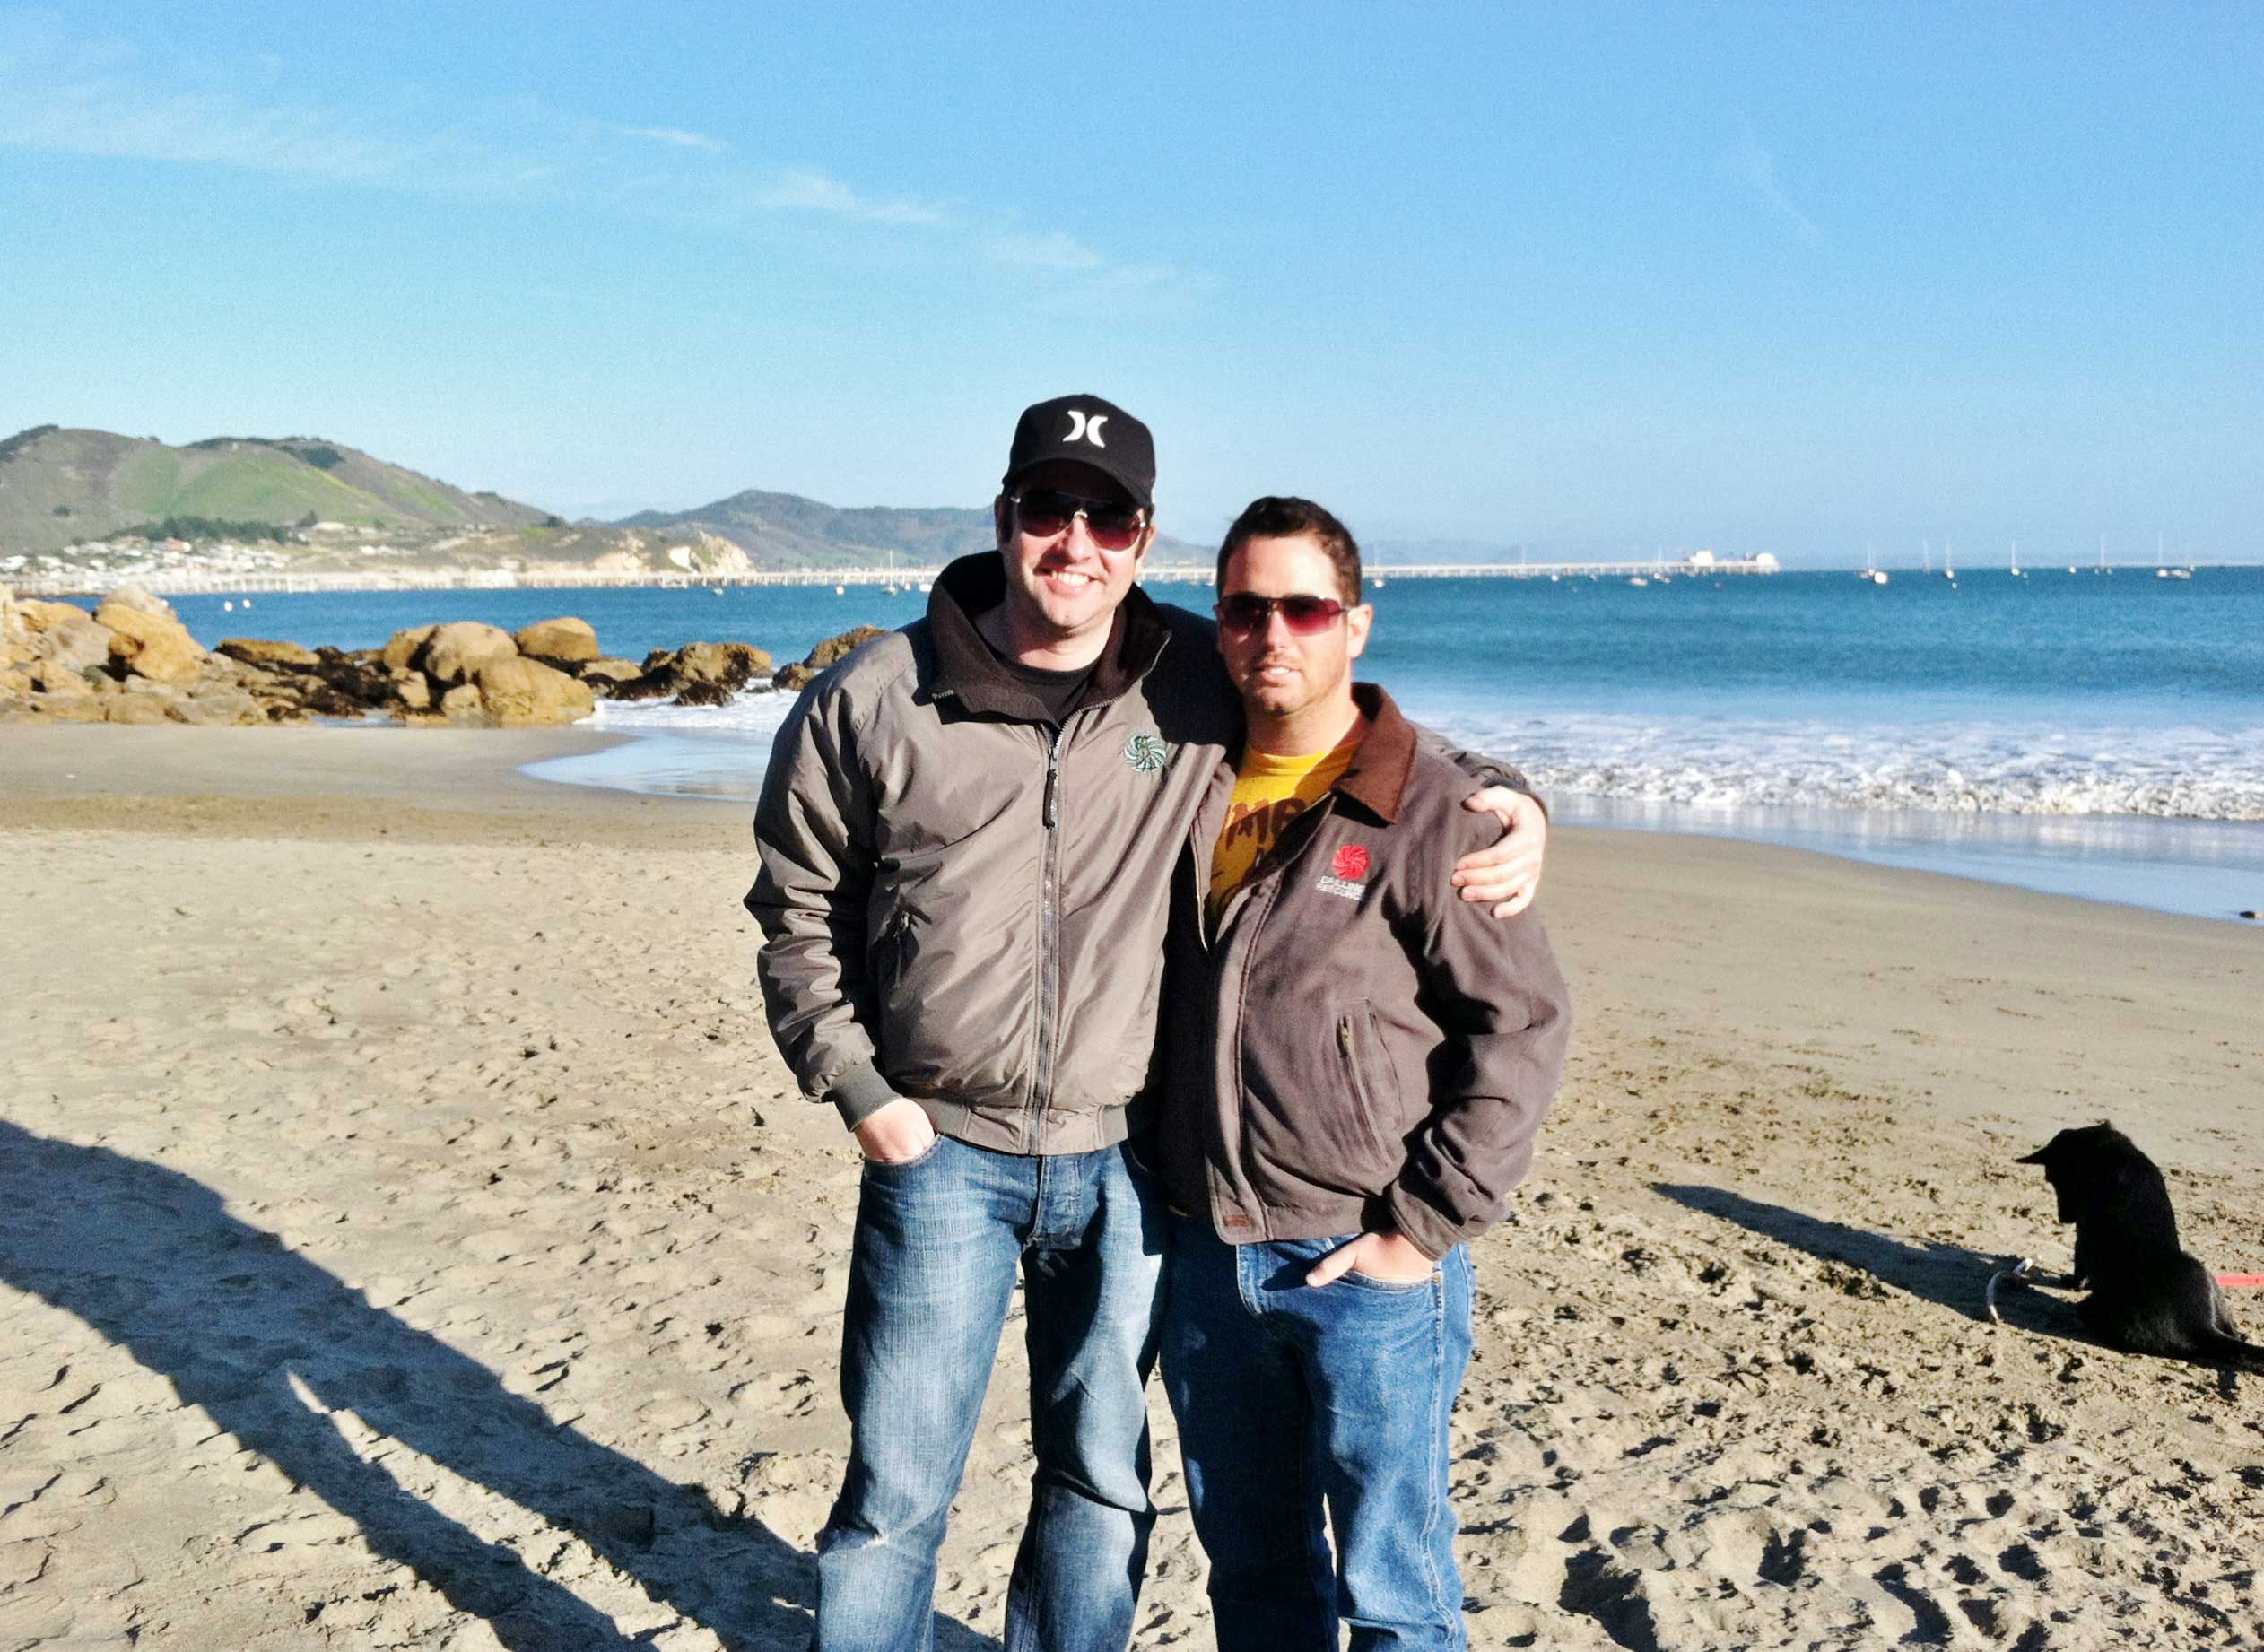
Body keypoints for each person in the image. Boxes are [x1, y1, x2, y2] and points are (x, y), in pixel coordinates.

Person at [746, 397, 1546, 1652]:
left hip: (1124, 1164)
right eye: (1048, 508)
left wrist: (1511, 797)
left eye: (1108, 517)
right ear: (1005, 516)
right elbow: (794, 909)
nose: (1076, 540)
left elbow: (1365, 737)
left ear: (1142, 537)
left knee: (1102, 1479)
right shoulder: (878, 695)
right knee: (896, 1491)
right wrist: (859, 1089)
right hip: (939, 1151)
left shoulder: (1186, 671)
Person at [1155, 496, 1572, 1650]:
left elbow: (1522, 1025)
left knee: (1394, 1589)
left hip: (1362, 1259)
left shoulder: (1436, 811)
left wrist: (1420, 1230)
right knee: (1253, 1572)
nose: (1271, 634)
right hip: (1203, 1252)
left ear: (1355, 623)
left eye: (1304, 609)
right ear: (1218, 623)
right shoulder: (1177, 773)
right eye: (1245, 610)